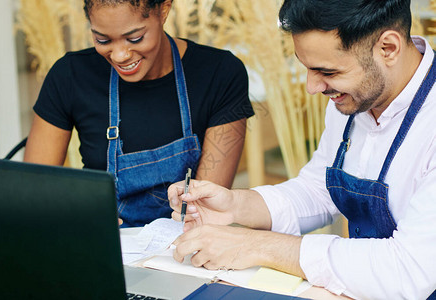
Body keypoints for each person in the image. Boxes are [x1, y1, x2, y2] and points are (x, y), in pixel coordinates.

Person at [168, 0, 436, 299]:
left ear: (388, 48)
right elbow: (318, 191)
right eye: (307, 68)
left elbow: (409, 270)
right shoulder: (355, 97)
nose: (312, 86)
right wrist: (236, 205)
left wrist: (254, 246)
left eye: (327, 71)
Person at [23, 0, 254, 227]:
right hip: (102, 243)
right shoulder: (69, 76)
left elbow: (204, 211)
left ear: (164, 10)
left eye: (135, 38)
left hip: (186, 246)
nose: (120, 55)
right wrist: (75, 213)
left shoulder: (220, 74)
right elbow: (33, 194)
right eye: (102, 40)